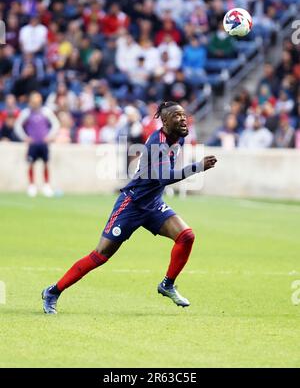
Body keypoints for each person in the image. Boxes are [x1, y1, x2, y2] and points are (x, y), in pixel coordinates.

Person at [42, 101, 217, 314]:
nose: (183, 118)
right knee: (100, 255)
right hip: (131, 204)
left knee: (186, 236)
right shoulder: (157, 142)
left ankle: (167, 284)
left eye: (184, 115)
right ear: (164, 121)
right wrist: (197, 167)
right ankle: (53, 291)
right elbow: (162, 177)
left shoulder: (178, 138)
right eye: (177, 116)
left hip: (153, 204)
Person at [14, 91, 59, 197]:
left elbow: (55, 124)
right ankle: (31, 185)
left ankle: (46, 185)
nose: (36, 102)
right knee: (31, 164)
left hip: (43, 144)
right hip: (33, 144)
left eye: (37, 100)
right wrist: (25, 137)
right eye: (34, 100)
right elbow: (17, 125)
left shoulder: (46, 112)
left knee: (46, 163)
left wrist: (50, 136)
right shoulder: (26, 112)